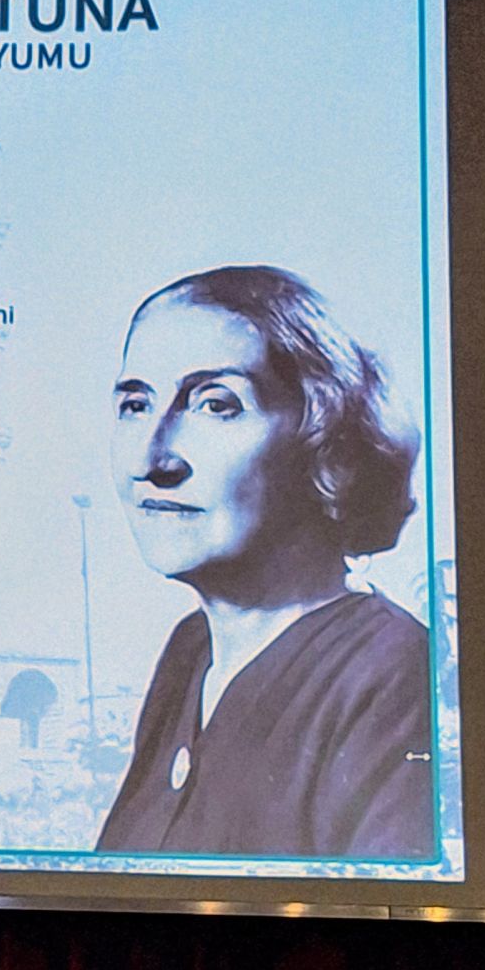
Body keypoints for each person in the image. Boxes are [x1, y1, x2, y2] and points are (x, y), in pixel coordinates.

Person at [96, 265, 435, 860]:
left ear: (328, 441)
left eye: (216, 404)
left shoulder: (391, 670)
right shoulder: (189, 651)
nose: (152, 460)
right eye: (136, 403)